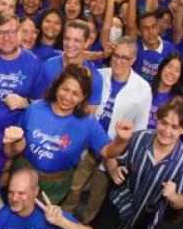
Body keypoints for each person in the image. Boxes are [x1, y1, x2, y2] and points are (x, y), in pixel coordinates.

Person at [74, 97, 183, 229]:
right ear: (157, 119)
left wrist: (173, 197)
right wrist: (114, 170)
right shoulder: (138, 138)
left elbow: (182, 202)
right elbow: (111, 157)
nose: (167, 130)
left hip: (145, 216)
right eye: (164, 123)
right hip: (121, 197)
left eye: (174, 127)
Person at [63, 37, 150, 223]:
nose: (118, 61)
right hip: (87, 144)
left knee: (97, 194)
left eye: (124, 58)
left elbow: (141, 128)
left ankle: (86, 227)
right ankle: (63, 220)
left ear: (133, 60)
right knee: (74, 186)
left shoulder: (143, 89)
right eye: (116, 56)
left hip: (112, 150)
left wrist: (124, 157)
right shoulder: (98, 75)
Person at [20, 64, 134, 204]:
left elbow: (107, 151)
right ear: (56, 87)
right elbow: (17, 140)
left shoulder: (87, 123)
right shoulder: (35, 108)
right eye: (65, 89)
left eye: (75, 93)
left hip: (54, 187)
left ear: (83, 97)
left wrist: (121, 140)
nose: (68, 97)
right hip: (23, 175)